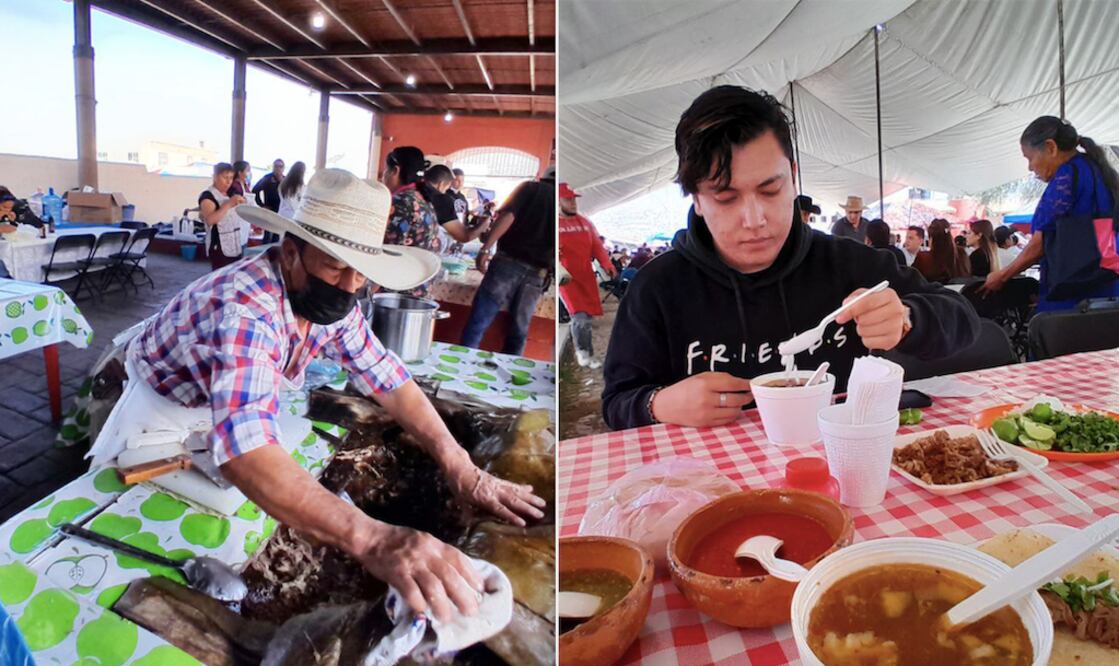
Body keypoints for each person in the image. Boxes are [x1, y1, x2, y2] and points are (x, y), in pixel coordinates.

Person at [86, 169, 543, 623]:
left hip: (209, 406)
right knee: (130, 511)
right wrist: (376, 541)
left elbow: (388, 378)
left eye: (360, 274)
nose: (348, 287)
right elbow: (245, 451)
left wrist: (459, 464)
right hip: (155, 406)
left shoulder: (330, 302)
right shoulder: (247, 309)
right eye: (334, 265)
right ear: (290, 252)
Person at [602, 85, 979, 430]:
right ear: (697, 200)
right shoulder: (658, 287)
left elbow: (964, 320)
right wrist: (658, 403)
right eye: (726, 197)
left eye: (770, 189)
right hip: (712, 482)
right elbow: (617, 402)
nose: (754, 220)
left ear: (793, 178)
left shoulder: (847, 263)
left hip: (840, 463)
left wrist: (908, 319)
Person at [983, 116, 1119, 311]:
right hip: (1109, 290)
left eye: (1029, 158)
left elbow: (1038, 245)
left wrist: (1002, 276)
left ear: (1051, 147)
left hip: (1072, 294)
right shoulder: (1098, 171)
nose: (1030, 167)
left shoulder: (1066, 177)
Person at [461, 167, 555, 355]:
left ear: (542, 177)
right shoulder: (561, 203)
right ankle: (512, 375)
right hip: (538, 273)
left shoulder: (529, 188)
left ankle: (463, 366)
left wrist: (485, 248)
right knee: (519, 330)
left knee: (479, 321)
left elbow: (508, 216)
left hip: (507, 264)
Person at [559, 182, 616, 368]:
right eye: (568, 199)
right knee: (580, 317)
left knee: (587, 318)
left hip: (586, 276)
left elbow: (597, 246)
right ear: (559, 201)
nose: (573, 203)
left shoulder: (584, 222)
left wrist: (606, 264)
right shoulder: (555, 223)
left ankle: (588, 353)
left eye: (574, 199)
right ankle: (582, 352)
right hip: (567, 279)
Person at [382, 146, 442, 297]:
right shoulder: (422, 198)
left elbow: (388, 252)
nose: (383, 176)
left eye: (385, 170)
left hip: (399, 291)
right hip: (419, 288)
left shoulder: (400, 202)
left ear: (395, 171)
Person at [423, 165, 489, 244]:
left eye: (462, 180)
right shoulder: (442, 199)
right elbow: (464, 236)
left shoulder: (414, 192)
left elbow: (465, 216)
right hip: (441, 240)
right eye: (457, 180)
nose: (460, 183)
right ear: (442, 184)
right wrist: (483, 225)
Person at [198, 163, 245, 270]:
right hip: (219, 246)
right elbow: (210, 220)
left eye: (231, 178)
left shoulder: (230, 193)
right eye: (225, 177)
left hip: (235, 243)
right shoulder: (208, 196)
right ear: (215, 177)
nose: (228, 182)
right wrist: (228, 204)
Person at [913, 218, 970, 283]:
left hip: (932, 292)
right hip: (959, 292)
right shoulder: (961, 253)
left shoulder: (923, 257)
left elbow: (913, 280)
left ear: (931, 238)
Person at [253, 158, 285, 244]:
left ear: (283, 168)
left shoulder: (285, 180)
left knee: (277, 234)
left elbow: (290, 196)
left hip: (281, 212)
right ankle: (265, 254)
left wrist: (281, 181)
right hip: (269, 210)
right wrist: (262, 205)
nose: (278, 168)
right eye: (276, 166)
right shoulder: (267, 178)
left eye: (280, 166)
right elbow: (255, 190)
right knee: (267, 235)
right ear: (273, 167)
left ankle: (275, 255)